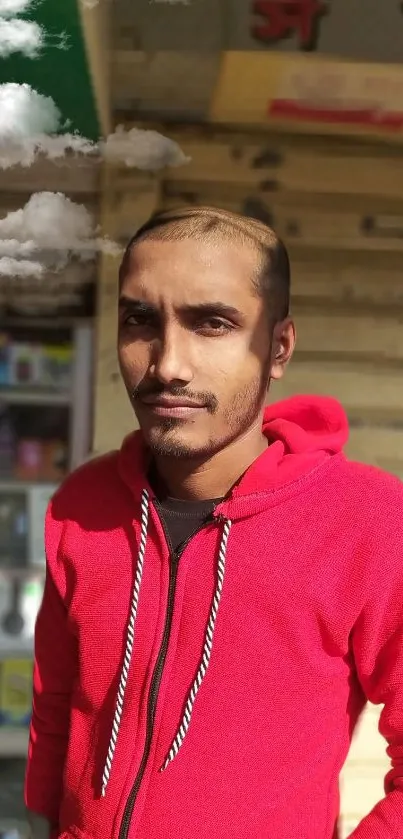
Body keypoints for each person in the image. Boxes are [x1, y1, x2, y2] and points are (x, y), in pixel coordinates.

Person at [25, 206, 403, 839]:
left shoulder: (368, 521)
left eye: (213, 323)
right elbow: (57, 711)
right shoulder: (82, 504)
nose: (168, 363)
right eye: (140, 321)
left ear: (278, 347)